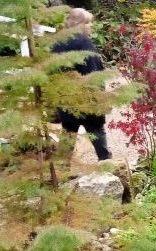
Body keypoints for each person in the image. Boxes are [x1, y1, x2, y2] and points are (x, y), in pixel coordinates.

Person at [52, 8, 112, 160]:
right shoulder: (84, 43)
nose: (91, 26)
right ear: (80, 24)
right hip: (87, 100)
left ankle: (62, 172)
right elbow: (93, 74)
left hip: (65, 98)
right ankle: (107, 165)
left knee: (68, 134)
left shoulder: (58, 43)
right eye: (88, 22)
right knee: (97, 132)